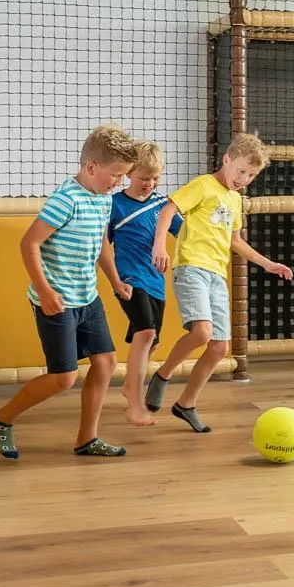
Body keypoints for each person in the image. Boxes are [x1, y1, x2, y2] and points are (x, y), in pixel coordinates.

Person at [0, 125, 139, 459]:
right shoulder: (66, 200)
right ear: (91, 167)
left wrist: (114, 281)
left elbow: (101, 245)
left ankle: (87, 439)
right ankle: (1, 419)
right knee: (63, 378)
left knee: (105, 363)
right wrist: (45, 292)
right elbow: (29, 244)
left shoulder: (103, 200)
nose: (119, 183)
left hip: (87, 297)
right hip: (56, 300)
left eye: (124, 176)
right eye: (116, 175)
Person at [146, 132, 293, 432]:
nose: (244, 179)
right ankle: (163, 375)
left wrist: (268, 263)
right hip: (192, 269)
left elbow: (235, 241)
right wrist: (160, 245)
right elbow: (168, 210)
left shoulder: (236, 199)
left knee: (219, 347)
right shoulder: (204, 185)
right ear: (227, 159)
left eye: (251, 175)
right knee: (201, 333)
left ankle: (186, 404)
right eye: (241, 171)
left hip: (216, 275)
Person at [107, 141, 184, 427]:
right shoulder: (114, 205)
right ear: (129, 174)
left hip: (156, 284)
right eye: (143, 178)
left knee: (152, 341)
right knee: (146, 331)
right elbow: (102, 246)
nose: (149, 184)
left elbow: (185, 232)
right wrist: (115, 281)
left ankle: (130, 384)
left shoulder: (162, 206)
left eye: (155, 178)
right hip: (130, 279)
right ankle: (135, 400)